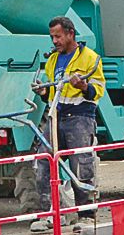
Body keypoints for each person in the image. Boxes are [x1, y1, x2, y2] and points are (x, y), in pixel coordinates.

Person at [36, 17, 106, 214]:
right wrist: (43, 93)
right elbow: (52, 91)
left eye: (58, 36)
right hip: (56, 117)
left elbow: (98, 90)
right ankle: (47, 213)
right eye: (52, 37)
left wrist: (84, 86)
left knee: (81, 166)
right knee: (43, 161)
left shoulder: (90, 58)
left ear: (70, 34)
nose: (55, 41)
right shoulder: (52, 60)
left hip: (80, 118)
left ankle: (85, 214)